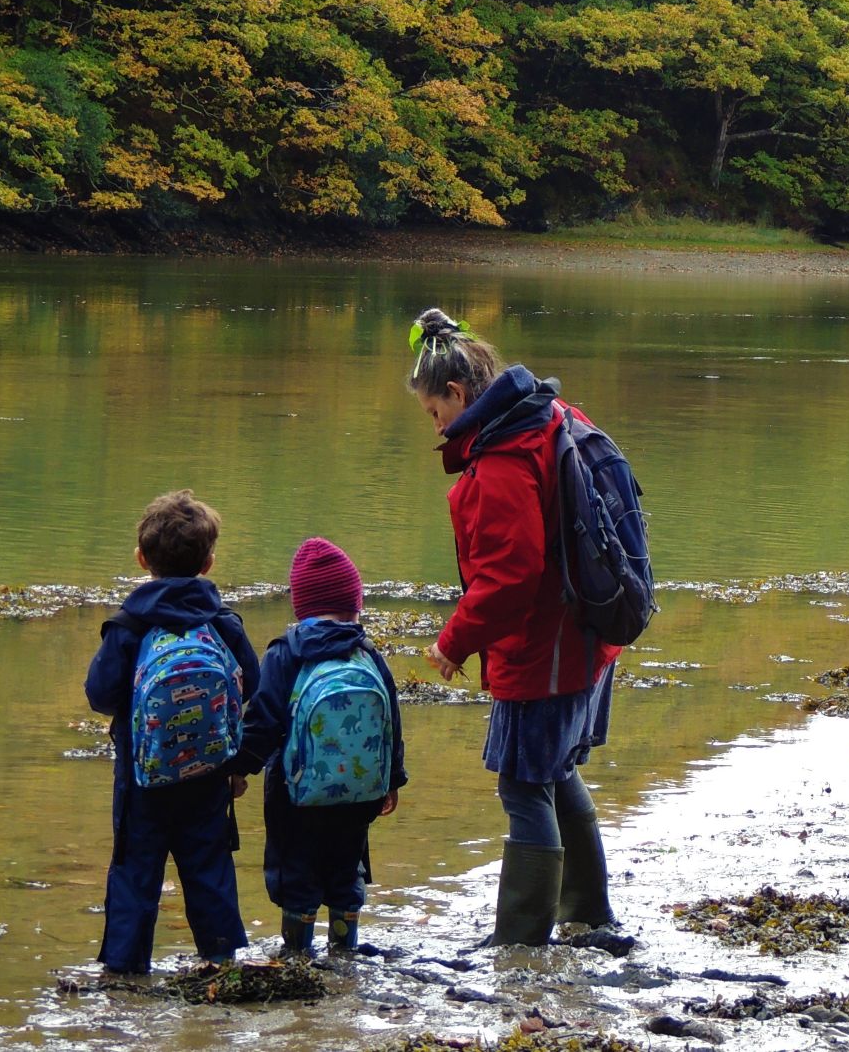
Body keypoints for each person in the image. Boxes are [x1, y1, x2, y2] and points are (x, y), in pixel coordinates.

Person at [408, 307, 620, 946]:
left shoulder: (501, 457)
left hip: (543, 650)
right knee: (554, 770)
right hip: (589, 635)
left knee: (524, 782)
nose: (435, 424)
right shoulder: (550, 416)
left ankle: (523, 938)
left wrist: (454, 641)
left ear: (457, 393)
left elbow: (510, 576)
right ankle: (587, 913)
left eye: (432, 410)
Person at [84, 490, 259, 974]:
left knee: (135, 868)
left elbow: (99, 695)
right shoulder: (223, 623)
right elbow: (253, 683)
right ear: (209, 563)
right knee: (209, 865)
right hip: (209, 772)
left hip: (142, 776)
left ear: (142, 559)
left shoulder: (129, 626)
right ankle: (220, 959)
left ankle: (125, 971)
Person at [229, 536, 406, 956]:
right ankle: (345, 953)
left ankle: (297, 955)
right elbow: (391, 722)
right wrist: (391, 779)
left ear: (300, 606)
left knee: (297, 875)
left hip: (296, 795)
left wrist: (239, 768)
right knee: (346, 871)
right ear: (354, 603)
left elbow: (264, 722)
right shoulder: (367, 653)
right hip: (361, 791)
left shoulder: (285, 653)